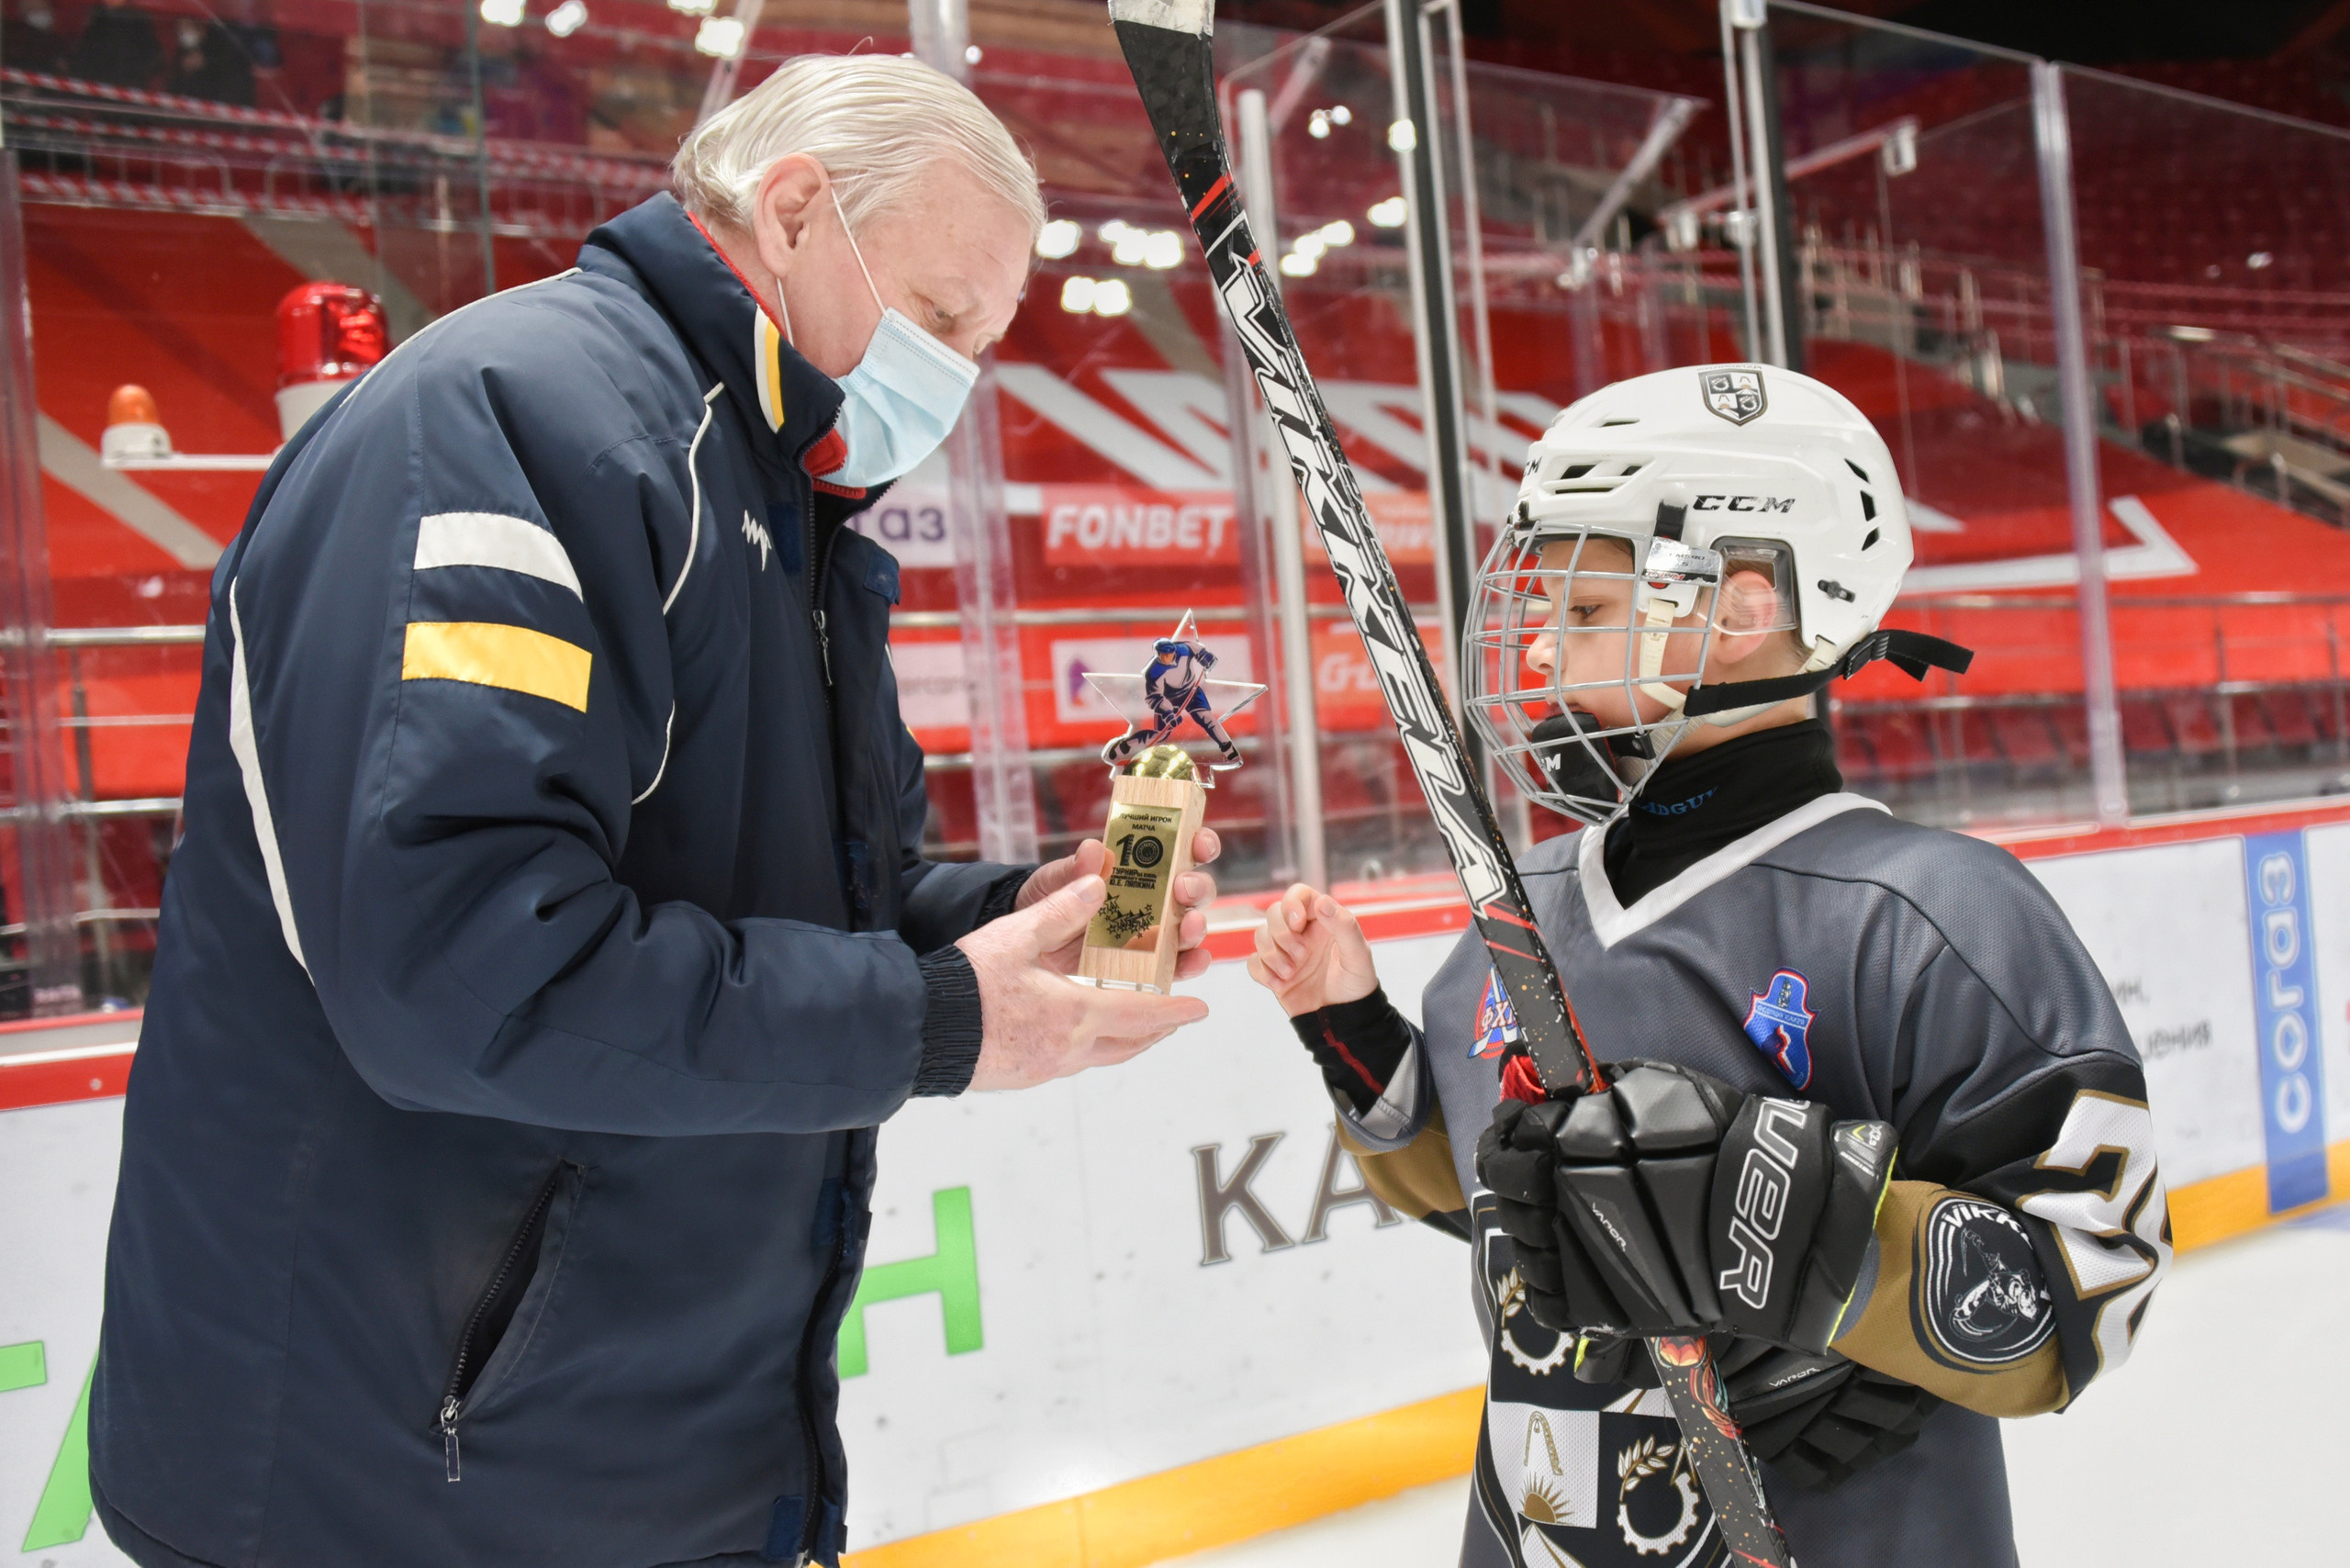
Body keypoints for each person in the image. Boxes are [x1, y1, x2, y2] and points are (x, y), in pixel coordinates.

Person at [92, 54, 1215, 1568]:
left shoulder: (775, 495)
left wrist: (1007, 923)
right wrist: (934, 1022)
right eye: (944, 319)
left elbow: (803, 896)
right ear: (799, 208)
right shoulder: (511, 430)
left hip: (624, 1464)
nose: (954, 373)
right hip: (388, 1486)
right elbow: (456, 967)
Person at [1247, 365, 2170, 1568]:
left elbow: (2085, 1291)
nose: (1535, 653)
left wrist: (1799, 1229)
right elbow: (1490, 1202)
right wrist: (1355, 1034)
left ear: (1739, 608)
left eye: (1582, 614)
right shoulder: (1516, 908)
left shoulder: (1930, 917)